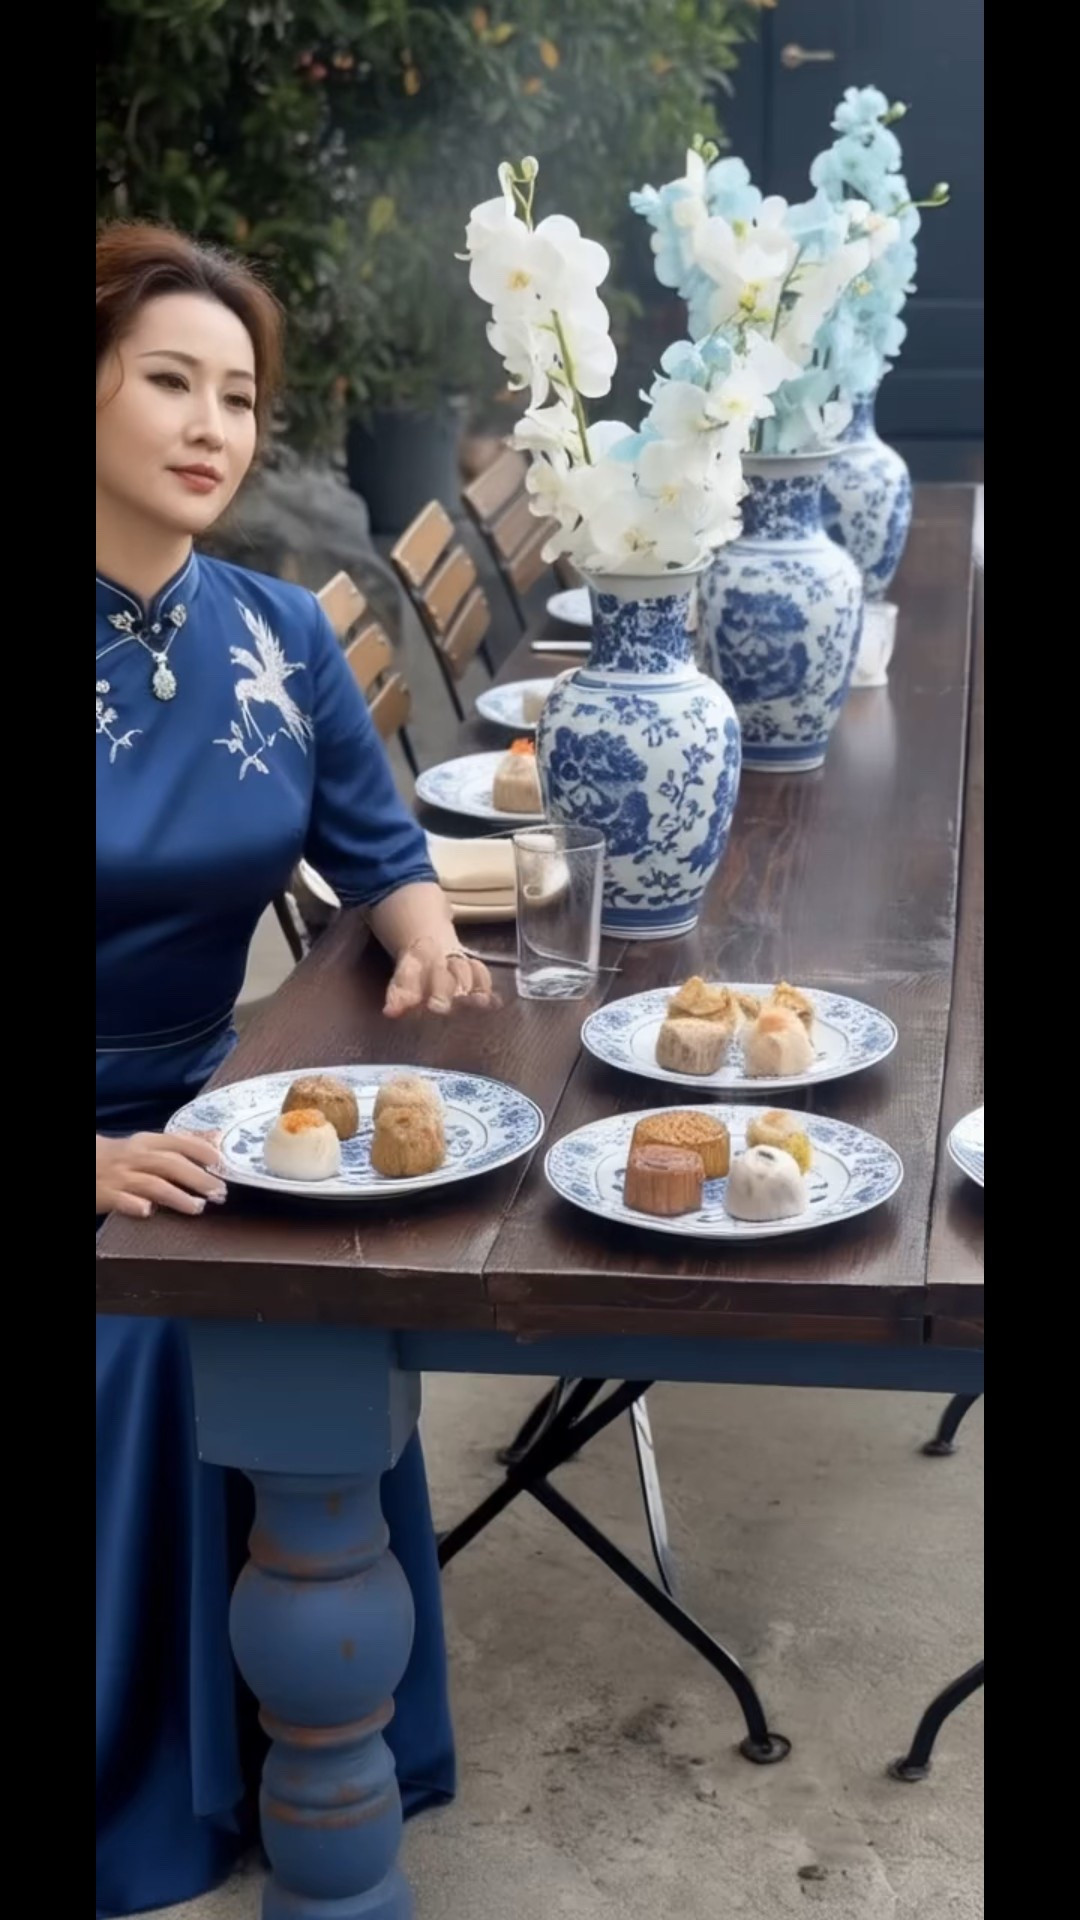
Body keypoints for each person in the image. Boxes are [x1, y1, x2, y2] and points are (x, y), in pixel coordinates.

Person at [96, 224, 495, 1918]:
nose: (214, 425)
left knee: (322, 1259)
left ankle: (314, 1729)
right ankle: (176, 1779)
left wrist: (414, 931)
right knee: (171, 1313)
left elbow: (373, 832)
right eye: (170, 382)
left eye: (241, 395)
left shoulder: (269, 625)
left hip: (210, 1103)